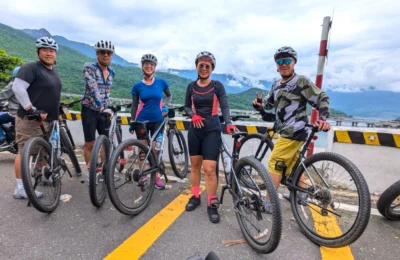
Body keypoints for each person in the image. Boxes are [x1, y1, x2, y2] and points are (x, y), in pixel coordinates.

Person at [252, 46, 331, 212]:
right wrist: (260, 106)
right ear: (276, 65)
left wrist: (323, 118)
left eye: (287, 60)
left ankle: (269, 203)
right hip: (286, 130)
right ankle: (300, 195)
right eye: (280, 61)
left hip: (294, 131)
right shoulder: (276, 85)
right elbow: (269, 103)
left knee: (274, 163)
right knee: (294, 164)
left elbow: (321, 97)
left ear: (294, 62)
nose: (284, 64)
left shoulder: (300, 81)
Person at [184, 51, 237, 223]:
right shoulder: (191, 86)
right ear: (197, 67)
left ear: (212, 68)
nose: (204, 68)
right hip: (195, 130)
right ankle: (195, 196)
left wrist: (228, 122)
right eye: (201, 65)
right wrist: (193, 115)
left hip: (212, 130)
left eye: (208, 66)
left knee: (209, 169)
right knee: (195, 166)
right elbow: (186, 106)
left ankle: (212, 203)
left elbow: (225, 105)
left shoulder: (217, 86)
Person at [12, 37, 62, 199]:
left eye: (52, 50)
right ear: (38, 52)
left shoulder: (52, 70)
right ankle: (20, 188)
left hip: (48, 120)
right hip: (30, 120)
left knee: (43, 151)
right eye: (45, 50)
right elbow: (18, 87)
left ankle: (44, 176)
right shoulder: (31, 67)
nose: (49, 53)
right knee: (25, 152)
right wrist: (30, 108)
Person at [129, 54, 172, 190]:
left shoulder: (161, 82)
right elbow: (134, 105)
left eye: (151, 64)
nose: (149, 66)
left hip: (157, 120)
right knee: (142, 150)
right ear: (142, 67)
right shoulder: (137, 86)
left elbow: (169, 95)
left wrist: (165, 106)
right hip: (142, 120)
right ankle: (142, 174)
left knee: (155, 149)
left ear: (154, 67)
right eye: (146, 64)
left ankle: (155, 176)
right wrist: (132, 120)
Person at [80, 40, 115, 176]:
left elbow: (107, 92)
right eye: (102, 52)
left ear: (111, 55)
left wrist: (109, 106)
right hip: (90, 109)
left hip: (104, 111)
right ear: (97, 54)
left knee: (105, 141)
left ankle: (105, 169)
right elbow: (93, 87)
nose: (105, 55)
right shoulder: (89, 67)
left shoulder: (112, 72)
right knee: (90, 143)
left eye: (108, 53)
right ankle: (91, 171)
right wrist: (100, 105)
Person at [0, 66, 20, 146]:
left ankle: (2, 139)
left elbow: (2, 96)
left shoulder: (14, 84)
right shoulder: (30, 84)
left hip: (16, 113)